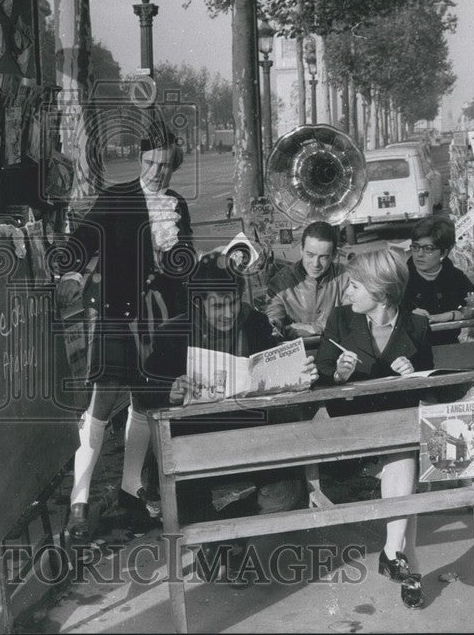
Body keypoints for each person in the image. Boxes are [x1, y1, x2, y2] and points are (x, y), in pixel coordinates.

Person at [56, 110, 195, 543]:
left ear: (173, 166)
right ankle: (78, 504)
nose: (156, 172)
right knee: (100, 404)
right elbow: (84, 238)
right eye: (150, 163)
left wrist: (179, 257)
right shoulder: (116, 196)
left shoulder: (177, 205)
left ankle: (130, 492)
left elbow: (185, 262)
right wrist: (71, 270)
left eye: (165, 165)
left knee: (146, 406)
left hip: (159, 320)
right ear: (140, 160)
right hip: (117, 314)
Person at [143, 252, 318, 584]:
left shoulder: (255, 323)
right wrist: (169, 390)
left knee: (287, 491)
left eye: (233, 303)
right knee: (183, 501)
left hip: (250, 441)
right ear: (198, 303)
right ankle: (223, 545)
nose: (227, 314)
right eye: (217, 306)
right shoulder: (173, 333)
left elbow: (280, 367)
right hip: (194, 450)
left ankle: (229, 541)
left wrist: (301, 372)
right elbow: (144, 390)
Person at [315, 247, 433, 609]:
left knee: (402, 458)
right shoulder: (341, 320)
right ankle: (401, 559)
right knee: (404, 466)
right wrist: (339, 376)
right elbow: (319, 381)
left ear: (380, 291)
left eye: (355, 286)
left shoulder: (416, 326)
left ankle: (396, 556)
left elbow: (431, 387)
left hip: (397, 438)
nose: (347, 292)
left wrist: (413, 374)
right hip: (350, 440)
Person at [266, 221, 349, 339]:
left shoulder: (346, 277)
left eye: (323, 257)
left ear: (334, 255)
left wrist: (313, 328)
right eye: (310, 255)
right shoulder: (281, 282)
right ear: (301, 250)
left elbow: (352, 318)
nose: (315, 264)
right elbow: (273, 318)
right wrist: (275, 325)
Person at [402, 216, 474, 345]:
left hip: (448, 347)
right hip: (411, 349)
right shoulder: (401, 276)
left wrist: (451, 315)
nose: (419, 254)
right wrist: (407, 313)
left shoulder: (455, 277)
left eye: (428, 249)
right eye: (415, 247)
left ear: (444, 253)